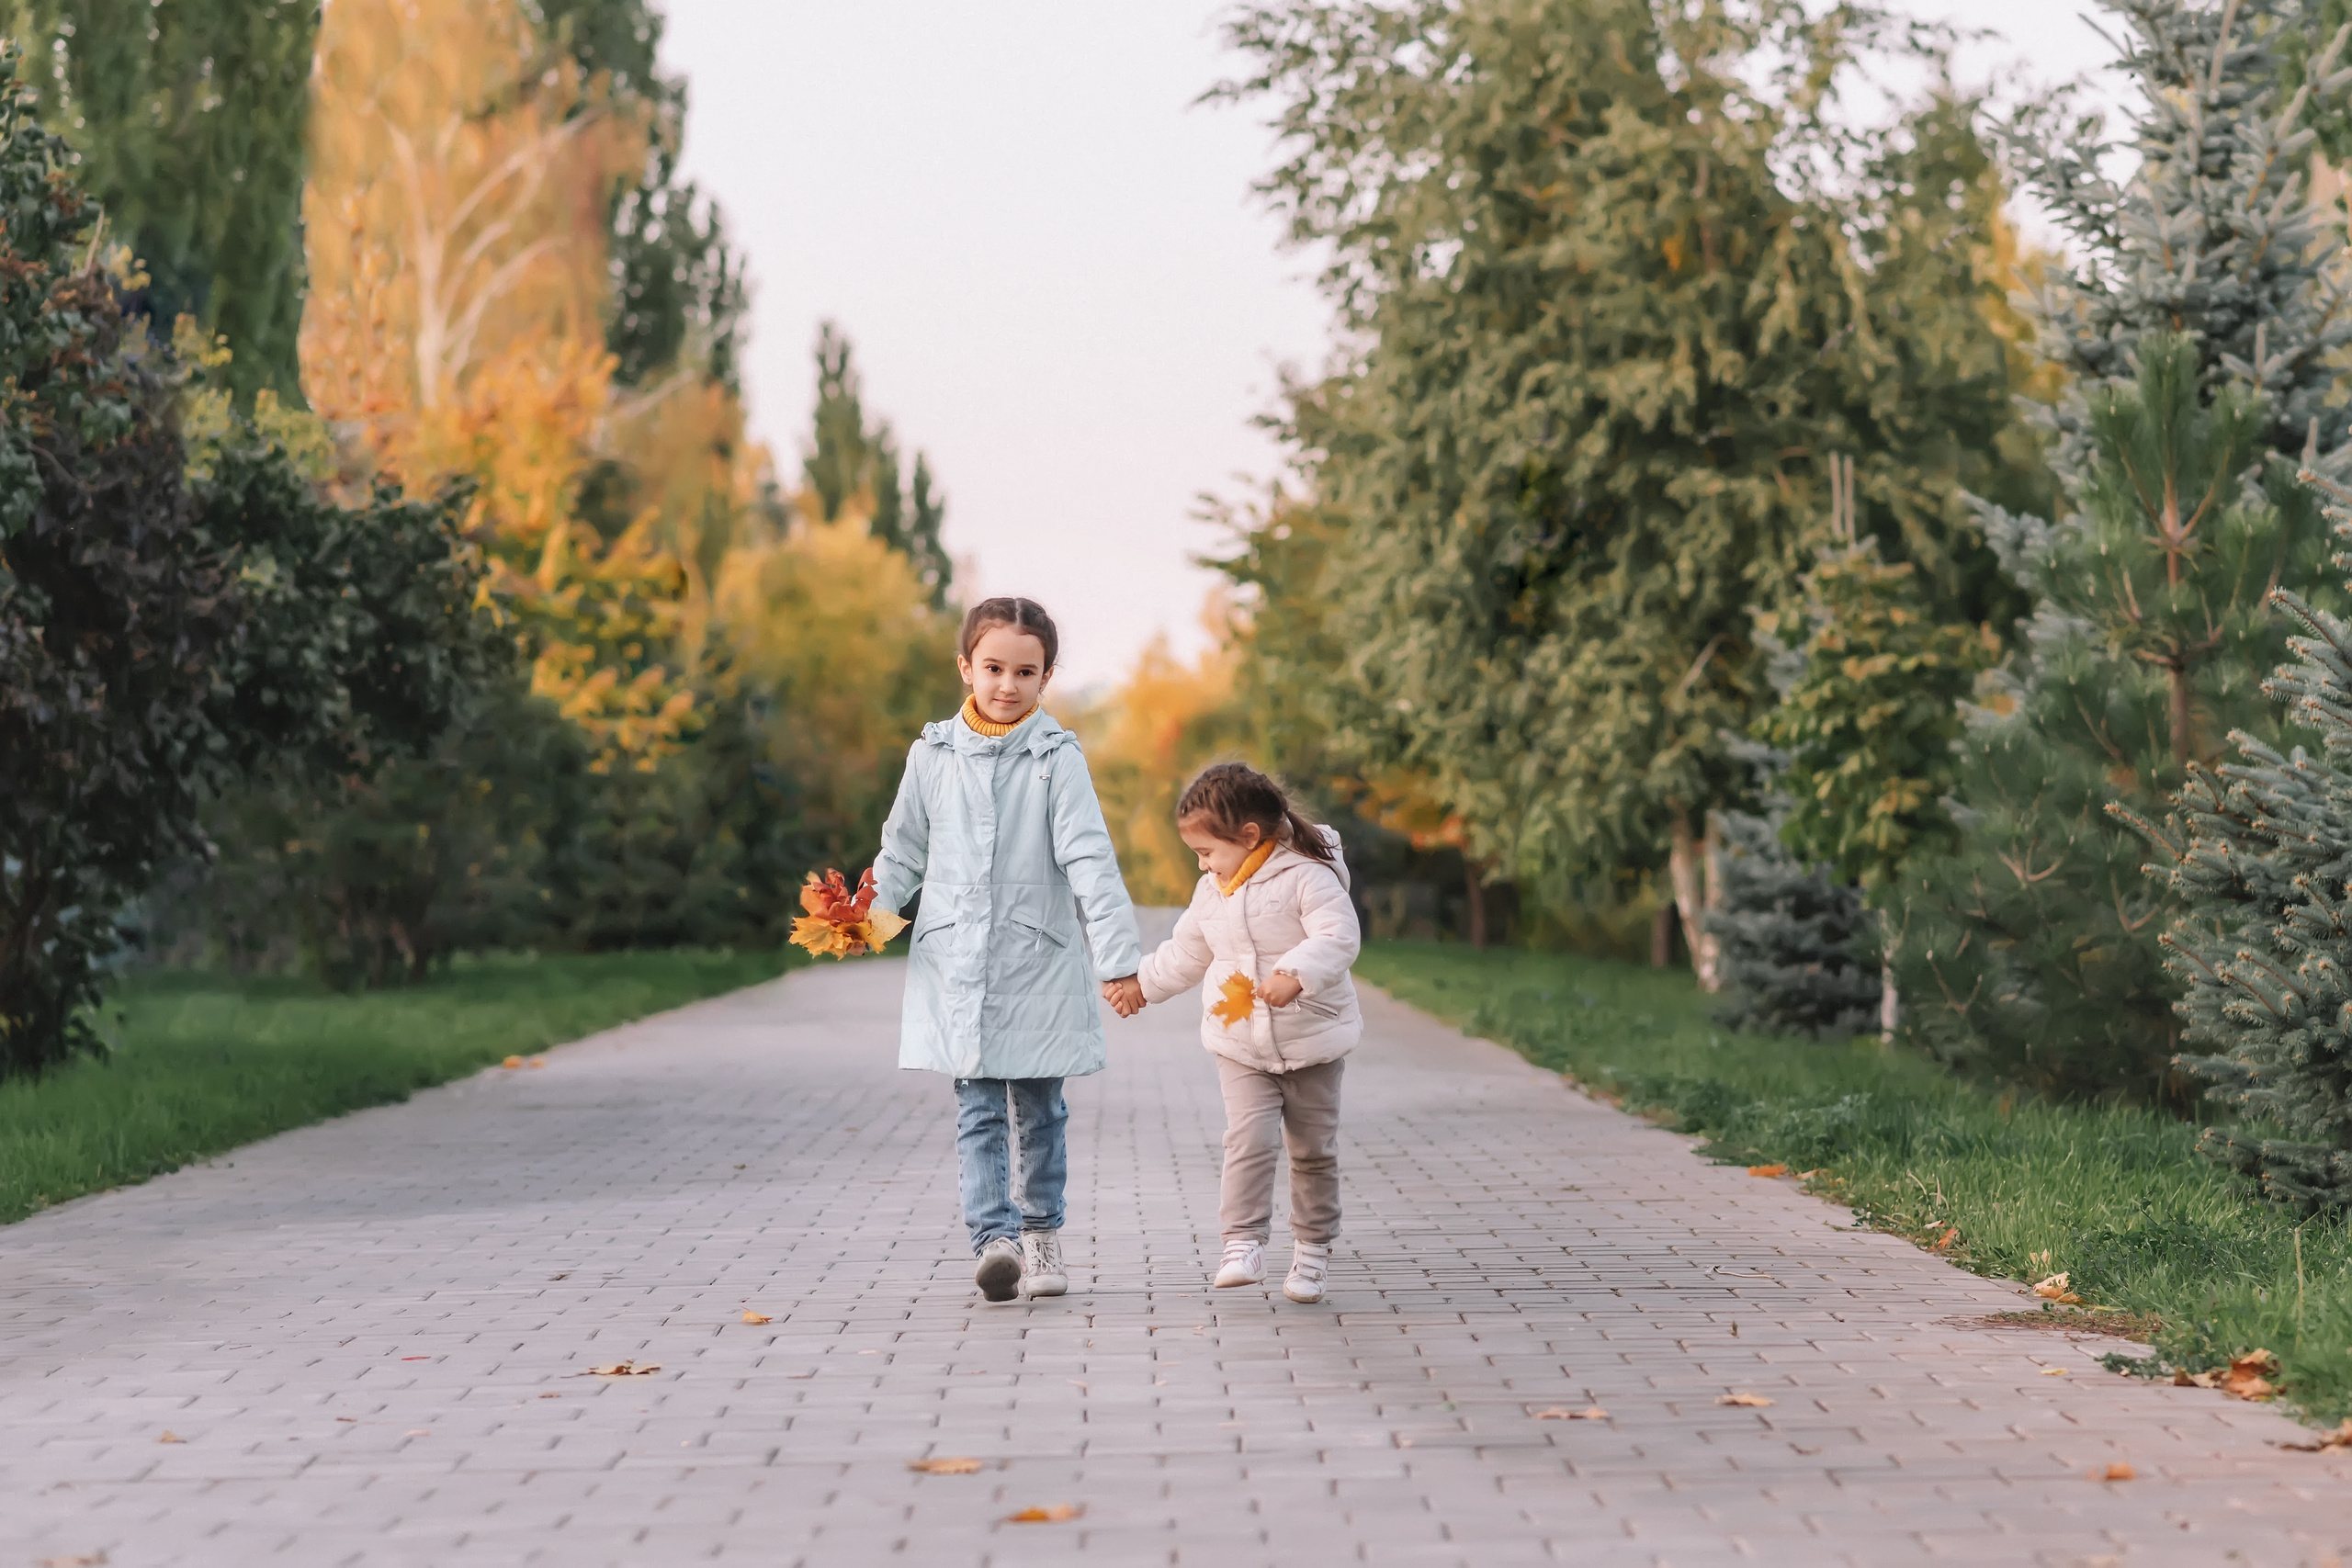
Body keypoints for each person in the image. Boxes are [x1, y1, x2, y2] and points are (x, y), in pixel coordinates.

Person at [873, 596, 1146, 1303]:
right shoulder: (932, 755)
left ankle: (1042, 1230)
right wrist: (870, 917)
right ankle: (994, 1240)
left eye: (1025, 671)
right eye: (993, 667)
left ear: (1046, 676)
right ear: (966, 666)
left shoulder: (1056, 759)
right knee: (979, 1107)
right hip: (959, 961)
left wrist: (1118, 958)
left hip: (1039, 961)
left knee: (1041, 1106)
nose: (1007, 684)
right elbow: (902, 848)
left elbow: (1090, 858)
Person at [1137, 761, 1362, 1304]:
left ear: (1249, 837)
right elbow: (1188, 951)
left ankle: (1311, 1253)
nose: (1202, 863)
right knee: (1248, 1140)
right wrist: (1141, 985)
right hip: (1240, 1043)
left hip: (1312, 1039)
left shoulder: (1307, 875)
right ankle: (1242, 1242)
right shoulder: (1212, 892)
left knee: (1311, 1151)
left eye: (1207, 851)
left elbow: (1339, 935)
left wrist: (1296, 973)